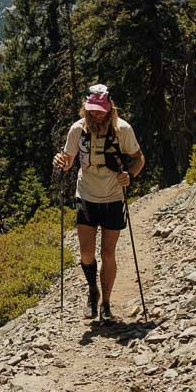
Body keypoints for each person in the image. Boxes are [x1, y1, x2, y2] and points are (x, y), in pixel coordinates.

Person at [52, 84, 145, 322]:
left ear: (109, 108)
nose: (96, 115)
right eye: (92, 111)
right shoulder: (77, 130)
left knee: (108, 253)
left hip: (114, 197)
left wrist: (130, 175)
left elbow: (138, 158)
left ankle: (105, 303)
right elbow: (69, 161)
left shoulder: (123, 129)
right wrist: (61, 161)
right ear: (86, 108)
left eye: (100, 111)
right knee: (85, 253)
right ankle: (92, 290)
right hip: (86, 195)